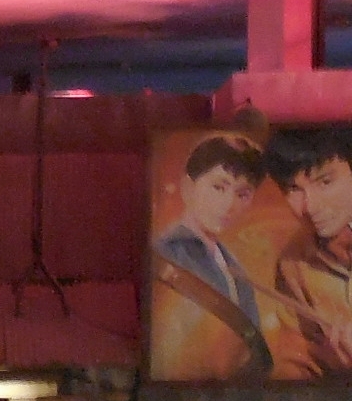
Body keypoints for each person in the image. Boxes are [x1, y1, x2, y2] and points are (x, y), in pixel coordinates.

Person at [150, 134, 272, 381]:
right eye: (218, 187)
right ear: (188, 188)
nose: (229, 204)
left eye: (242, 194)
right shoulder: (165, 254)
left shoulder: (235, 268)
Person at [264, 126, 352, 378]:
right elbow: (295, 362)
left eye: (325, 182)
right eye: (293, 189)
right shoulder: (292, 262)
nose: (311, 207)